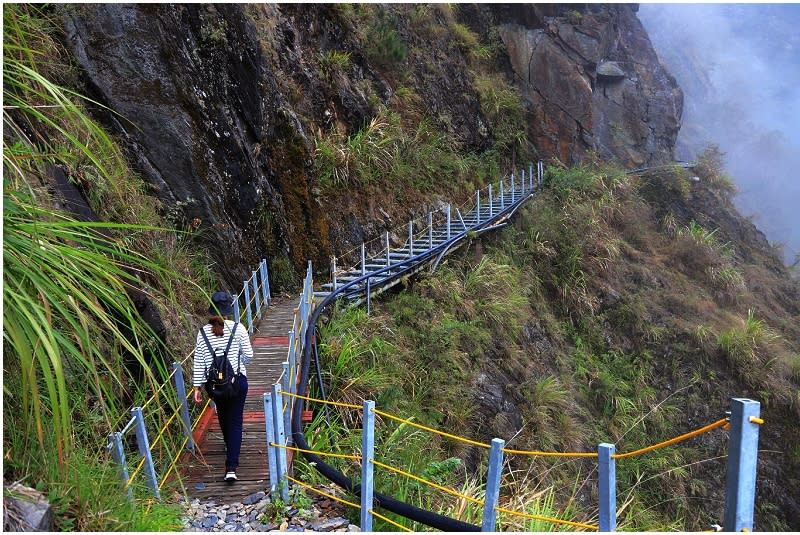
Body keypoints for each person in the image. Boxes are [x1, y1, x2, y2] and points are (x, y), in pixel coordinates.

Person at [192, 291, 253, 482]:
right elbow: (249, 355)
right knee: (235, 422)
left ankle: (229, 446)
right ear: (229, 309)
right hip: (236, 383)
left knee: (224, 418)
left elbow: (199, 362)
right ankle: (231, 467)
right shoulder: (238, 328)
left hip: (215, 387)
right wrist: (237, 363)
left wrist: (197, 387)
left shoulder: (202, 333)